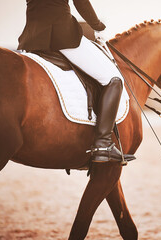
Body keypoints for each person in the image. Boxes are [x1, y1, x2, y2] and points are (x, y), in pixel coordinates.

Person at [18, 0, 135, 163]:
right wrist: (98, 26)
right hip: (61, 35)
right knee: (113, 79)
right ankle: (103, 143)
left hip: (32, 37)